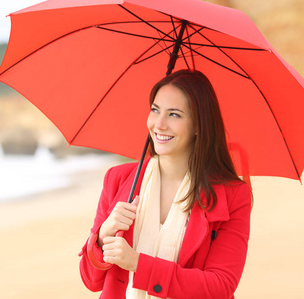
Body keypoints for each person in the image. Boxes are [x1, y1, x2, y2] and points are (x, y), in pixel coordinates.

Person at [79, 69, 252, 299]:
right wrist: (102, 236)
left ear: (199, 125)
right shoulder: (119, 179)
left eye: (174, 115)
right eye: (155, 110)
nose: (159, 124)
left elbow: (220, 286)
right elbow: (91, 280)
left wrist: (138, 264)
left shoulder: (233, 196)